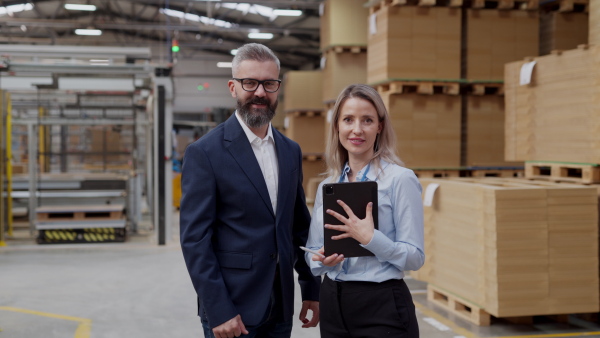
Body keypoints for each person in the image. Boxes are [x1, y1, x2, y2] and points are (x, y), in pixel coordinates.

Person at [180, 43, 321, 338]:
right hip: (233, 309)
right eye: (250, 83)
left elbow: (298, 226)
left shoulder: (290, 150)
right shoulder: (205, 153)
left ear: (277, 87)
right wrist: (219, 309)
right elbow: (195, 240)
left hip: (280, 305)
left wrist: (311, 287)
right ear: (233, 87)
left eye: (269, 83)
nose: (260, 93)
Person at [304, 84, 425, 337]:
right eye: (348, 119)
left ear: (379, 126)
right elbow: (313, 251)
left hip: (382, 306)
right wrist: (320, 260)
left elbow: (415, 257)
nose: (357, 129)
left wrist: (372, 240)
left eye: (367, 120)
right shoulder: (328, 186)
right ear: (337, 125)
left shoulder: (400, 180)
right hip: (333, 304)